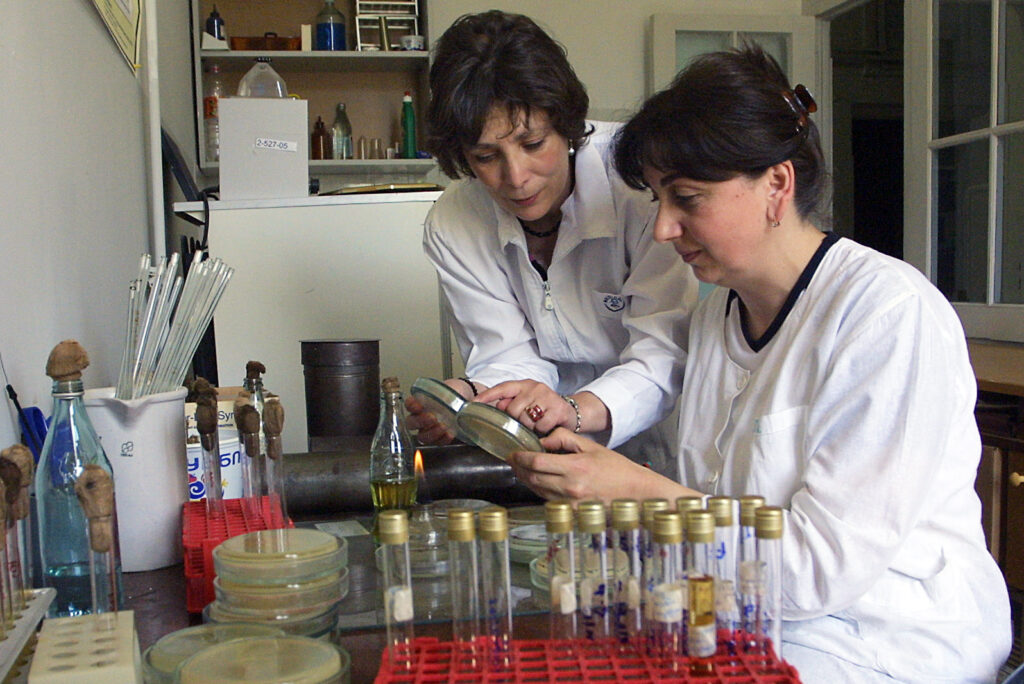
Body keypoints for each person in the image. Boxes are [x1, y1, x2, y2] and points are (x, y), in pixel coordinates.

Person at [507, 44, 1011, 682]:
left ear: (777, 184)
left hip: (887, 642)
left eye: (687, 198)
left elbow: (816, 570)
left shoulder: (886, 316)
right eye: (659, 199)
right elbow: (714, 504)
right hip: (757, 625)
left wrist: (635, 490)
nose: (663, 228)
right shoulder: (719, 316)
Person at [410, 10, 697, 474]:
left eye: (533, 143)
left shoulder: (637, 183)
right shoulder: (455, 220)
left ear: (565, 123)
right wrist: (473, 395)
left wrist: (577, 409)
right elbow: (506, 354)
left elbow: (664, 353)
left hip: (657, 452)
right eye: (486, 157)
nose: (517, 178)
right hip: (538, 456)